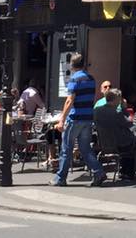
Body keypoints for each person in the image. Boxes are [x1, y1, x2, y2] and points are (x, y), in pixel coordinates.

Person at [51, 53, 107, 187]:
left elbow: (70, 100)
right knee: (85, 149)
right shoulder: (91, 79)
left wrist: (61, 120)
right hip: (87, 118)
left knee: (66, 149)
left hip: (75, 118)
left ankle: (60, 178)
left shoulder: (74, 80)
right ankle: (98, 171)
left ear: (72, 65)